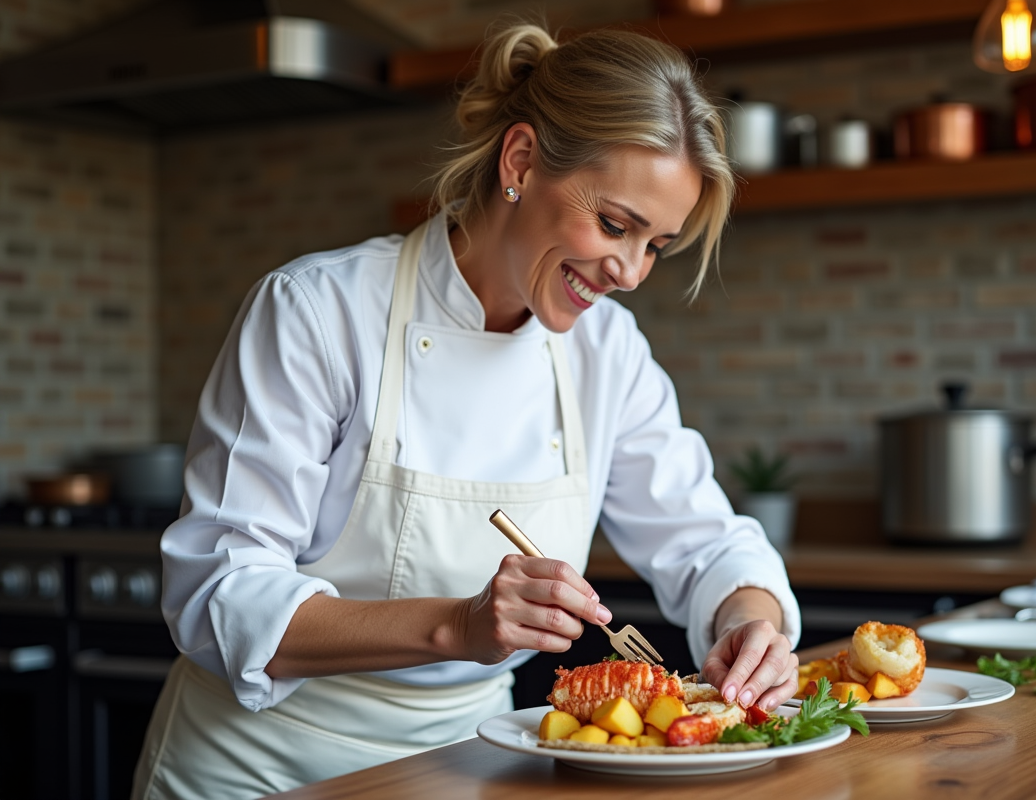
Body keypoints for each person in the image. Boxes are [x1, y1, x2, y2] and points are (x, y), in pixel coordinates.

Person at [132, 21, 801, 800]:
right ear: (520, 162)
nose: (628, 272)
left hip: (467, 765)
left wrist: (749, 623)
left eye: (657, 245)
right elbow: (218, 593)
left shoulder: (606, 352)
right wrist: (459, 626)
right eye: (615, 224)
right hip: (265, 768)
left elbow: (706, 541)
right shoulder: (320, 311)